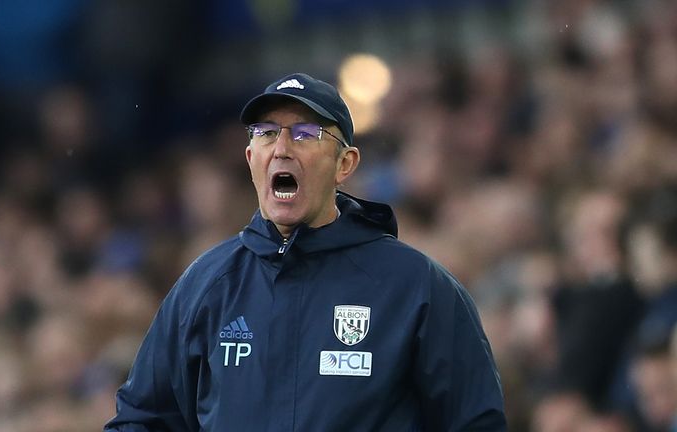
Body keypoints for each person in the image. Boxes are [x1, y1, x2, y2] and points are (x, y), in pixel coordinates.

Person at [104, 73, 507, 431]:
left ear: (344, 164)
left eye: (304, 134)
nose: (281, 148)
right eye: (265, 133)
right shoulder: (206, 285)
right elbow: (143, 418)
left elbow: (474, 420)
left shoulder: (417, 287)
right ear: (251, 159)